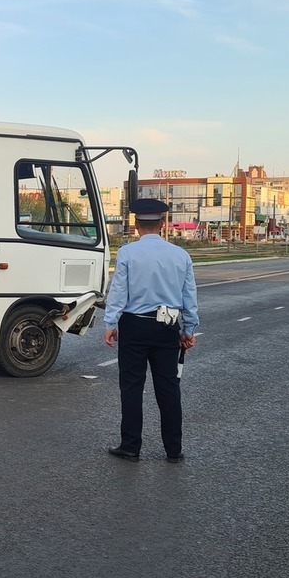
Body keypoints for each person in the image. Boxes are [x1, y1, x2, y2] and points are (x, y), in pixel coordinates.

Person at [103, 198, 199, 462]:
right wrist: (189, 329)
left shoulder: (127, 253)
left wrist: (110, 324)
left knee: (132, 387)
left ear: (136, 224)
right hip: (168, 327)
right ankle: (173, 448)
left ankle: (131, 446)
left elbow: (119, 291)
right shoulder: (181, 255)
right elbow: (189, 296)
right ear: (163, 223)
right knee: (168, 387)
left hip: (134, 325)